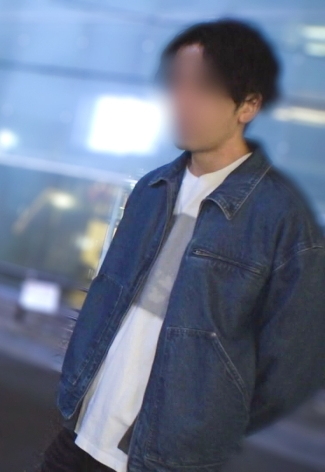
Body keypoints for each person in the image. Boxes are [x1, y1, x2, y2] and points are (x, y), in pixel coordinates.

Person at [40, 19, 325, 472]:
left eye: (205, 88)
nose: (183, 101)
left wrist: (201, 429)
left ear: (248, 105)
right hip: (82, 434)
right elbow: (109, 299)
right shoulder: (151, 189)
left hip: (163, 460)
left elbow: (292, 364)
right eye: (178, 84)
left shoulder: (278, 218)